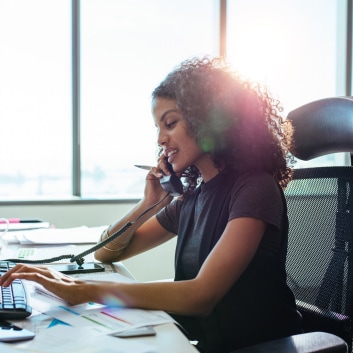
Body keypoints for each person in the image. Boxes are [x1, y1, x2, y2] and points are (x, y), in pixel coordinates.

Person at [0, 57, 302, 352]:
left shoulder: (254, 188)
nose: (160, 139)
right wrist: (150, 202)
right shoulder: (191, 199)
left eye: (170, 123)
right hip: (206, 342)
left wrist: (84, 291)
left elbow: (202, 295)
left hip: (258, 346)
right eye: (158, 128)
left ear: (208, 120)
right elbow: (108, 251)